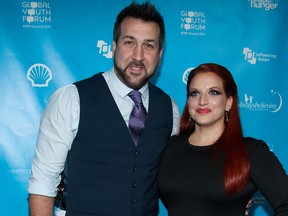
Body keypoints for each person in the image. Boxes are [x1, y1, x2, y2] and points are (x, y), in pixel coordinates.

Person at [28, 2, 180, 216]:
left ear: (160, 53)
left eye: (149, 45)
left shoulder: (169, 108)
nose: (138, 56)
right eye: (129, 42)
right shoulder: (71, 99)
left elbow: (178, 176)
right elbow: (43, 182)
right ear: (114, 46)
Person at [158, 63, 288, 216]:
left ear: (228, 102)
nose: (202, 101)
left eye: (213, 92)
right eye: (195, 93)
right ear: (188, 102)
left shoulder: (251, 152)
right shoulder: (171, 147)